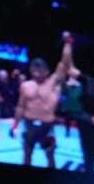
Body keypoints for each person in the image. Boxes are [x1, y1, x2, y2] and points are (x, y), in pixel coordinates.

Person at [13, 35, 74, 167]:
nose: (36, 74)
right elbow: (20, 107)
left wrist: (68, 42)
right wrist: (15, 125)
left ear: (47, 72)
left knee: (50, 156)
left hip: (47, 127)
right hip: (29, 126)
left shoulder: (54, 84)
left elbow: (64, 63)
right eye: (34, 71)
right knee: (27, 154)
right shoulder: (25, 85)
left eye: (40, 71)